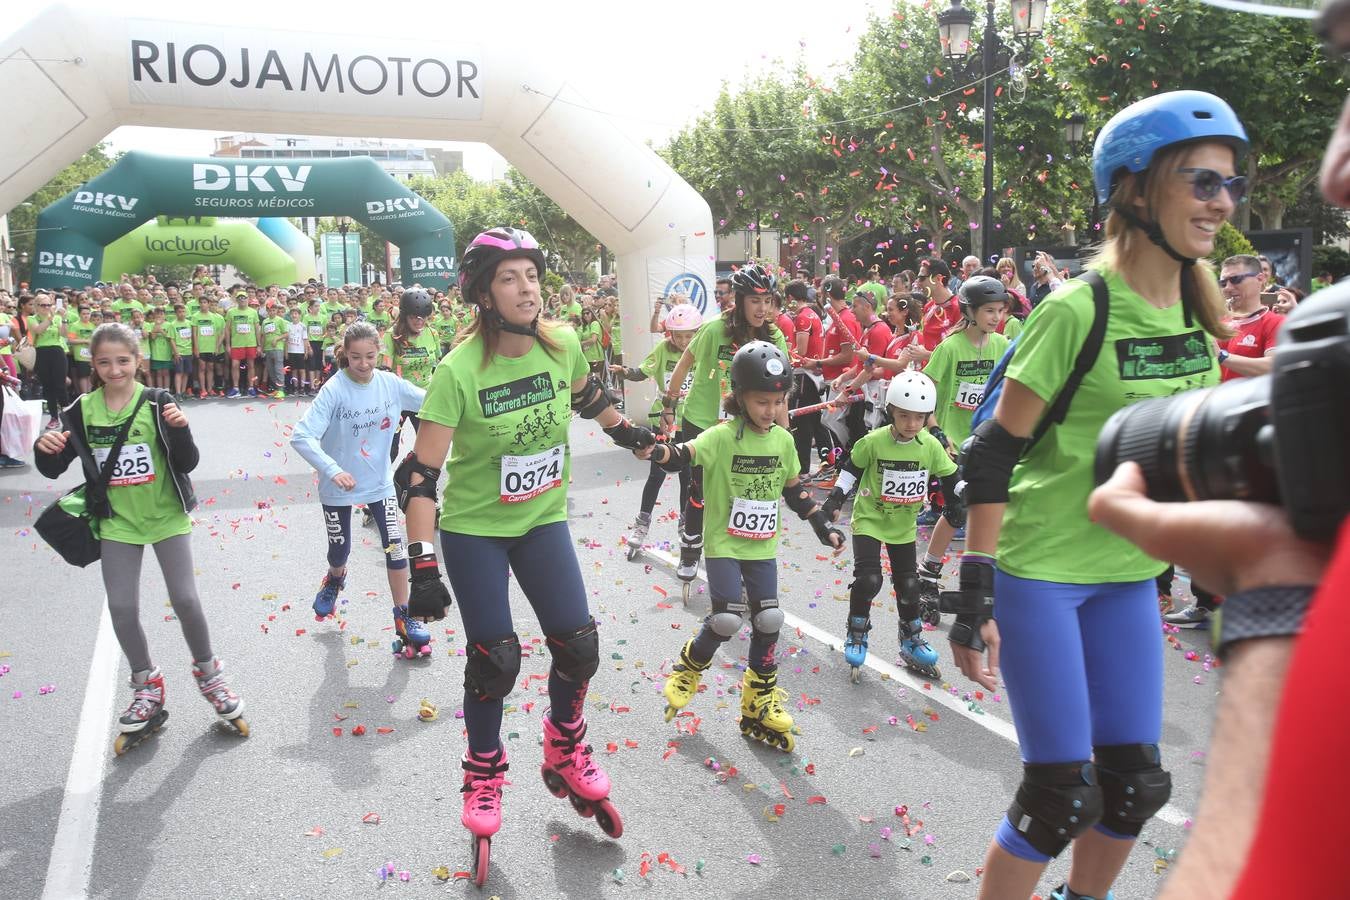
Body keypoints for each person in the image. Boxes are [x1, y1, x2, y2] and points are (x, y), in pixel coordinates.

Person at [949, 91, 1243, 900]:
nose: (1222, 202)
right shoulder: (1079, 309)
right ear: (1134, 189)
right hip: (1042, 570)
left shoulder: (1197, 307)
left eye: (1230, 182)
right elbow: (993, 453)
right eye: (1201, 181)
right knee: (1058, 798)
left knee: (1134, 787)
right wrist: (974, 592)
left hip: (1129, 574)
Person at [398, 227, 653, 879]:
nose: (526, 288)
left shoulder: (560, 344)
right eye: (509, 278)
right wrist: (422, 562)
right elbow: (420, 478)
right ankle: (483, 776)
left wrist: (635, 436)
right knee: (496, 660)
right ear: (484, 294)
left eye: (531, 276)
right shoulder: (458, 371)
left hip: (541, 521)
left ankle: (564, 745)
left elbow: (589, 398)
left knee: (579, 646)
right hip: (476, 531)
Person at [33, 323, 246, 754]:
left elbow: (186, 461)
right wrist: (44, 448)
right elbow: (53, 468)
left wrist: (181, 429)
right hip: (118, 524)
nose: (115, 370)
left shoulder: (157, 402)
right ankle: (147, 684)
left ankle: (211, 676)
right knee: (122, 607)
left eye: (123, 361)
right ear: (93, 365)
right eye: (105, 362)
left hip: (166, 516)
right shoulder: (81, 410)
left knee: (185, 600)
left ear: (138, 361)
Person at [644, 341, 843, 747]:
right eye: (761, 401)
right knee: (727, 620)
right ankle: (689, 667)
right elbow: (682, 455)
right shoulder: (721, 437)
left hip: (761, 547)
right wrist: (656, 449)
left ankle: (758, 701)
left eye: (778, 402)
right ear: (739, 397)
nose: (770, 410)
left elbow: (795, 491)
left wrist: (822, 525)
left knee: (769, 620)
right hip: (725, 546)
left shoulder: (783, 441)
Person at [290, 322, 430, 657]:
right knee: (340, 551)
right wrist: (333, 470)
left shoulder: (390, 384)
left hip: (379, 485)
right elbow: (301, 436)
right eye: (355, 357)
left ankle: (404, 616)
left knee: (395, 549)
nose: (363, 364)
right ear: (345, 355)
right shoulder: (334, 390)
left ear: (379, 352)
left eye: (370, 356)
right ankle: (335, 578)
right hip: (338, 486)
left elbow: (431, 401)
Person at [819, 371, 963, 682]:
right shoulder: (873, 442)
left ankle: (911, 639)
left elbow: (950, 475)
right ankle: (857, 632)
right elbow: (851, 470)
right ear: (890, 412)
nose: (912, 424)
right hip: (870, 519)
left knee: (909, 585)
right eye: (904, 416)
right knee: (869, 579)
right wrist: (834, 500)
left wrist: (960, 498)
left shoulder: (929, 445)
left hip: (903, 525)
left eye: (919, 417)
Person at [660, 264, 791, 592]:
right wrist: (669, 404)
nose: (762, 309)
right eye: (755, 301)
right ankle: (691, 546)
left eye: (768, 301)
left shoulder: (774, 336)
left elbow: (781, 392)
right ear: (740, 299)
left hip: (742, 427)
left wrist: (785, 433)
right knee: (697, 488)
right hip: (703, 420)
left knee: (742, 491)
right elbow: (684, 364)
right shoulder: (714, 329)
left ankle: (742, 558)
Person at [916, 276, 1011, 596]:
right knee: (957, 509)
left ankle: (989, 573)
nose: (996, 317)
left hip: (988, 440)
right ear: (970, 311)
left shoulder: (1002, 346)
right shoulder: (949, 348)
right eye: (989, 311)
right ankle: (929, 570)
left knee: (995, 509)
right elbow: (924, 396)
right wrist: (936, 431)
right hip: (953, 444)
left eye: (1000, 310)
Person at [610, 302, 702, 558]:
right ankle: (642, 524)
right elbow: (643, 371)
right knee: (656, 474)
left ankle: (685, 522)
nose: (683, 341)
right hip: (664, 417)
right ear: (670, 334)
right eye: (678, 336)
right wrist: (625, 372)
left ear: (697, 334)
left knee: (688, 475)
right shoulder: (663, 349)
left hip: (692, 419)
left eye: (689, 336)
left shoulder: (702, 350)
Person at [380, 288, 440, 464]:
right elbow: (385, 368)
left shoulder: (432, 333)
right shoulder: (392, 335)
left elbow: (438, 365)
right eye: (414, 317)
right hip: (398, 398)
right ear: (405, 315)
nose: (419, 321)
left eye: (423, 317)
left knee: (427, 449)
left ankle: (418, 479)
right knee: (391, 448)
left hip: (423, 397)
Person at [1215, 253, 1283, 381]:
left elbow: (1275, 366)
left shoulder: (1276, 322)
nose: (1228, 288)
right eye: (1223, 283)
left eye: (1236, 279)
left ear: (1260, 279)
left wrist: (1221, 356)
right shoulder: (1219, 321)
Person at [27, 291, 68, 429]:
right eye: (43, 305)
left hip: (57, 350)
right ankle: (54, 417)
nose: (46, 307)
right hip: (42, 352)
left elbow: (64, 334)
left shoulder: (56, 317)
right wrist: (51, 316)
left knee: (60, 385)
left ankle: (68, 415)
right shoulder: (32, 318)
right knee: (48, 386)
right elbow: (38, 330)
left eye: (49, 305)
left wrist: (64, 318)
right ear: (36, 306)